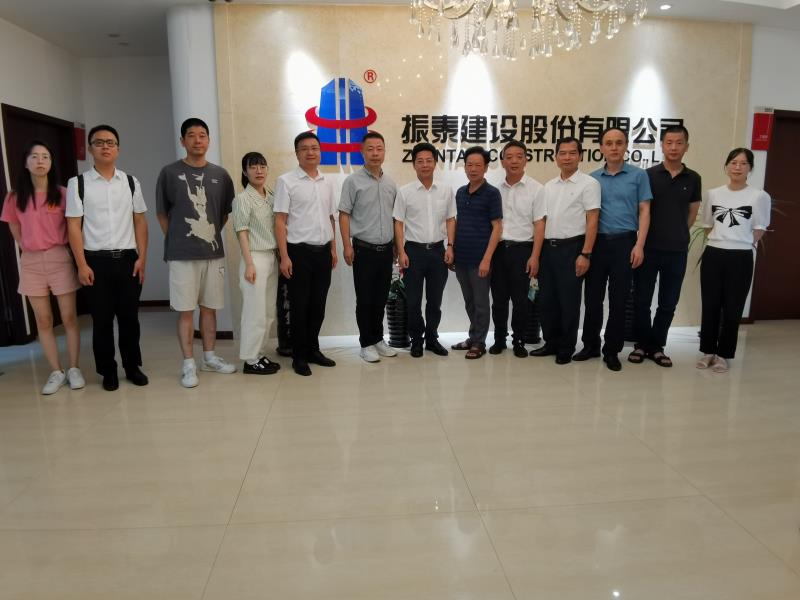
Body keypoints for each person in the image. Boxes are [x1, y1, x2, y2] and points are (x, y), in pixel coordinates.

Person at [66, 125, 149, 391]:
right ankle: (108, 371)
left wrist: (142, 258)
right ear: (90, 148)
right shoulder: (78, 184)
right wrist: (81, 264)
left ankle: (132, 367)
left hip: (128, 260)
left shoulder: (131, 182)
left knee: (129, 319)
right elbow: (73, 227)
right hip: (95, 262)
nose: (105, 146)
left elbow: (140, 221)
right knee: (101, 321)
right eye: (99, 142)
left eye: (110, 142)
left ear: (118, 149)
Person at [156, 117, 236, 388]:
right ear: (183, 141)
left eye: (202, 135)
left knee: (210, 308)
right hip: (181, 255)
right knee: (186, 310)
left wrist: (207, 235)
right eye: (191, 135)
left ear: (208, 140)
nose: (197, 140)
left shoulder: (221, 175)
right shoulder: (169, 173)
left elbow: (224, 213)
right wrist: (177, 239)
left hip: (212, 253)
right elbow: (162, 213)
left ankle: (209, 358)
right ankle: (188, 363)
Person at [1, 140, 84, 394]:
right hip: (31, 262)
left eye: (45, 156)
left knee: (68, 317)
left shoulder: (63, 193)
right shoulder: (14, 197)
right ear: (26, 163)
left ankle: (74, 368)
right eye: (34, 156)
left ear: (51, 163)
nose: (40, 161)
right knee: (44, 320)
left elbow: (74, 227)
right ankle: (56, 371)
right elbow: (14, 227)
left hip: (60, 257)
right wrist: (27, 247)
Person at [574, 127, 651, 371]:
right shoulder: (592, 178)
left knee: (619, 300)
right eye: (609, 143)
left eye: (619, 142)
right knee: (592, 299)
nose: (614, 147)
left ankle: (612, 350)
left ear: (626, 146)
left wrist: (639, 245)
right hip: (596, 244)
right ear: (601, 148)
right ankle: (590, 345)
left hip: (625, 243)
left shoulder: (639, 176)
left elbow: (645, 211)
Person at [629, 125, 701, 368]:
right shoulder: (647, 175)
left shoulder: (693, 178)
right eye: (669, 142)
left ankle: (657, 346)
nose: (673, 147)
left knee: (668, 302)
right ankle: (641, 344)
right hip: (648, 249)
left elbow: (692, 213)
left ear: (686, 146)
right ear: (661, 145)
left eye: (679, 143)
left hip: (677, 251)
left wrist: (678, 233)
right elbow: (642, 210)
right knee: (641, 300)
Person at [697, 148, 770, 373]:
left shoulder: (759, 196)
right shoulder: (713, 194)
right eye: (734, 162)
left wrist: (738, 242)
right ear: (727, 166)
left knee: (733, 307)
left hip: (740, 257)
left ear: (750, 168)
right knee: (710, 304)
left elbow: (759, 229)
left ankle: (724, 354)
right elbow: (708, 225)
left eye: (743, 163)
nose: (738, 167)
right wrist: (722, 240)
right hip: (713, 254)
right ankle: (708, 351)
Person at [528, 137, 600, 364]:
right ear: (556, 157)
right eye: (562, 153)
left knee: (568, 301)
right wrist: (537, 255)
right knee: (547, 300)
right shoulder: (548, 186)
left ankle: (566, 347)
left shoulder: (589, 184)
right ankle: (551, 342)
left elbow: (592, 220)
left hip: (572, 248)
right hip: (548, 249)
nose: (567, 157)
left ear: (580, 156)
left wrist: (585, 254)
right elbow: (541, 221)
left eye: (572, 153)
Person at [274, 132, 338, 376]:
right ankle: (299, 356)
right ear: (297, 153)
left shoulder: (327, 182)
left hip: (323, 252)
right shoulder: (286, 181)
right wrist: (284, 256)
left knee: (318, 306)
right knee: (300, 306)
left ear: (320, 151)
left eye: (314, 148)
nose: (310, 152)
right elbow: (280, 221)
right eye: (304, 148)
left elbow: (330, 217)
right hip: (298, 252)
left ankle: (313, 349)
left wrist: (333, 248)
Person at [338, 132, 398, 363]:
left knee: (381, 298)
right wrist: (347, 245)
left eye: (379, 148)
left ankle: (378, 339)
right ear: (362, 152)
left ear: (384, 152)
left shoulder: (390, 183)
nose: (375, 153)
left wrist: (397, 247)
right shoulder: (352, 182)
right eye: (370, 149)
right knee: (365, 299)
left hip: (386, 250)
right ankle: (366, 343)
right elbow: (344, 214)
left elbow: (395, 218)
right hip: (363, 250)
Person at [394, 142, 455, 358]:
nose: (425, 164)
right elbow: (398, 223)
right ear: (414, 165)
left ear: (435, 163)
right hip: (413, 252)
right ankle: (416, 340)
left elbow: (450, 219)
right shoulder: (405, 192)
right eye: (420, 161)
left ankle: (431, 339)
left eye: (429, 160)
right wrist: (401, 252)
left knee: (435, 301)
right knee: (413, 301)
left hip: (438, 251)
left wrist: (450, 246)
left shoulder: (446, 190)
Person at [489, 140, 542, 357]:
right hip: (499, 250)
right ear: (502, 162)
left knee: (521, 300)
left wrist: (535, 256)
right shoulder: (494, 190)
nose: (514, 161)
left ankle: (519, 340)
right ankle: (499, 339)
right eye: (509, 157)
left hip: (523, 250)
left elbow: (540, 225)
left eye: (519, 156)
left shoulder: (536, 189)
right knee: (499, 299)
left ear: (526, 160)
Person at [451, 146, 503, 359]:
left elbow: (497, 227)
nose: (473, 169)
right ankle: (473, 336)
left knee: (481, 302)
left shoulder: (492, 193)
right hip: (461, 258)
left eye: (478, 165)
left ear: (486, 167)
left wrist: (487, 259)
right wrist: (452, 249)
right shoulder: (460, 192)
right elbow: (456, 222)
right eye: (469, 165)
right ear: (464, 167)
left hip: (480, 259)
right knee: (470, 301)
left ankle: (479, 342)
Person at [232, 151, 281, 375]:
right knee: (254, 312)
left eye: (262, 166)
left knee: (268, 311)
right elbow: (241, 231)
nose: (259, 171)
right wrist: (249, 263)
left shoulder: (271, 196)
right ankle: (250, 360)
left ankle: (259, 354)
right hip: (255, 258)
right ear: (245, 172)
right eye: (253, 167)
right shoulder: (242, 199)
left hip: (271, 257)